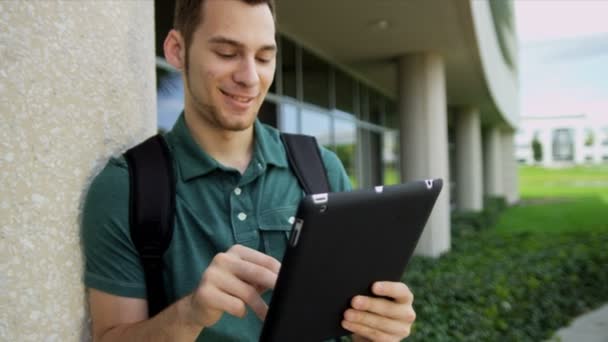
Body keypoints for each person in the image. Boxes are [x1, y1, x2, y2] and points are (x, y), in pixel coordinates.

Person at [81, 0, 416, 340]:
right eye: (227, 53)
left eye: (264, 57)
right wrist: (189, 313)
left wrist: (378, 327)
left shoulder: (322, 169)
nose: (250, 77)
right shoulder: (125, 188)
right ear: (177, 50)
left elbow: (355, 318)